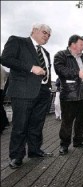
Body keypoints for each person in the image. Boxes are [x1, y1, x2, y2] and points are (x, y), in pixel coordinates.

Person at [1, 23, 53, 169]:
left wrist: (48, 88)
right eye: (44, 32)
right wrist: (31, 68)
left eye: (49, 35)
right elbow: (5, 59)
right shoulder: (17, 41)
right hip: (23, 91)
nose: (47, 36)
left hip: (43, 92)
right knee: (20, 125)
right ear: (34, 30)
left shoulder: (46, 53)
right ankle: (16, 156)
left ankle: (35, 151)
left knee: (37, 124)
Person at [54, 34, 83, 155]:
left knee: (82, 119)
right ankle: (64, 145)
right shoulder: (60, 55)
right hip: (69, 94)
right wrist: (77, 73)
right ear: (73, 44)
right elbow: (60, 69)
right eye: (81, 44)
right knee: (67, 121)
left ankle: (78, 140)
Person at [0, 65, 10, 134]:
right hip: (2, 89)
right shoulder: (2, 68)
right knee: (1, 107)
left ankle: (3, 125)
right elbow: (7, 76)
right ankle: (5, 123)